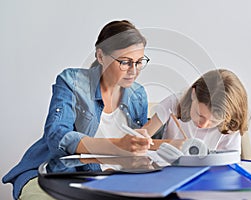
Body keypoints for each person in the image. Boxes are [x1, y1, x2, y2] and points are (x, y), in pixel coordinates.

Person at [2, 20, 153, 200]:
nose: (134, 71)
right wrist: (118, 145)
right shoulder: (72, 82)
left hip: (111, 177)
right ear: (100, 55)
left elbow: (139, 149)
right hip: (60, 172)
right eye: (125, 62)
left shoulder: (138, 95)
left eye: (139, 62)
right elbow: (57, 135)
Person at [145, 69, 249, 153]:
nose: (203, 124)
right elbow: (135, 141)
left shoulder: (231, 121)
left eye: (214, 121)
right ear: (193, 94)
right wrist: (168, 145)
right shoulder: (174, 103)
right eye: (199, 115)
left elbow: (230, 164)